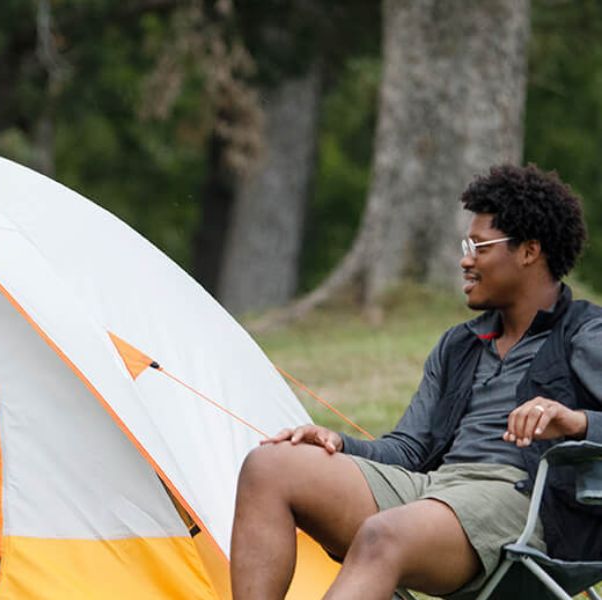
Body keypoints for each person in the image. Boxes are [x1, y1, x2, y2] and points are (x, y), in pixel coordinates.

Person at [230, 164, 602, 599]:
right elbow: (408, 448)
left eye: (480, 247)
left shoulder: (585, 333)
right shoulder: (460, 344)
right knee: (269, 466)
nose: (465, 259)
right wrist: (339, 442)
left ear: (528, 251)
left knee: (381, 535)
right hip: (435, 490)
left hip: (521, 500)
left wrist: (576, 422)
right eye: (467, 246)